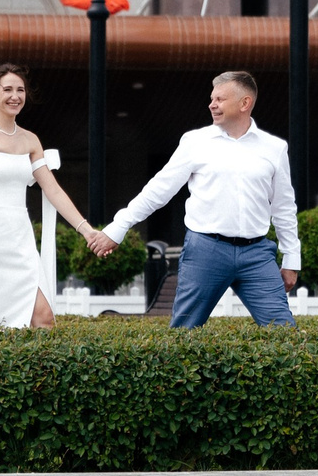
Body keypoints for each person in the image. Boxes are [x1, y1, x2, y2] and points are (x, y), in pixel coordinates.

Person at [102, 69, 299, 327]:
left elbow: (284, 207)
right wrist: (119, 226)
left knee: (283, 331)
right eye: (212, 98)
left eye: (219, 99)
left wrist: (291, 259)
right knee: (184, 333)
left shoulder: (274, 148)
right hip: (205, 250)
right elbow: (159, 190)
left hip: (257, 255)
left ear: (245, 103)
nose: (212, 105)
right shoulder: (195, 142)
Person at [0, 62, 114, 328]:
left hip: (20, 238)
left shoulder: (30, 140)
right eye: (8, 89)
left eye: (21, 90)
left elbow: (53, 189)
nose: (15, 96)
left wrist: (86, 230)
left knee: (43, 317)